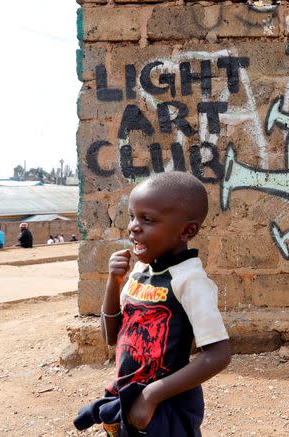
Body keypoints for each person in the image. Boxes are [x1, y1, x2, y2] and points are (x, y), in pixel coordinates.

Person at [74, 171, 230, 436]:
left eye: (147, 219)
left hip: (168, 404)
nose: (134, 226)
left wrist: (151, 396)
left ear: (187, 230)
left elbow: (218, 355)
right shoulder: (140, 273)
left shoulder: (190, 280)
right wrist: (114, 282)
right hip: (128, 395)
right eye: (132, 216)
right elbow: (111, 337)